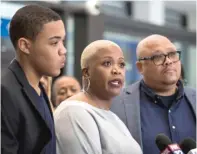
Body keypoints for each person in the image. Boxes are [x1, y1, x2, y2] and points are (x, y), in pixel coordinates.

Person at [111, 34, 196, 154]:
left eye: (172, 54)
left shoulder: (194, 98)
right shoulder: (116, 104)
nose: (168, 61)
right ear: (140, 67)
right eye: (158, 57)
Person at [54, 40, 142, 154]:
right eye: (107, 63)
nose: (117, 71)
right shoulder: (73, 111)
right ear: (86, 72)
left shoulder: (112, 116)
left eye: (121, 64)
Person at [1, 5, 66, 154]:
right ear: (25, 45)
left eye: (63, 41)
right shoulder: (5, 91)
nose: (63, 50)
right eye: (54, 42)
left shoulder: (39, 89)